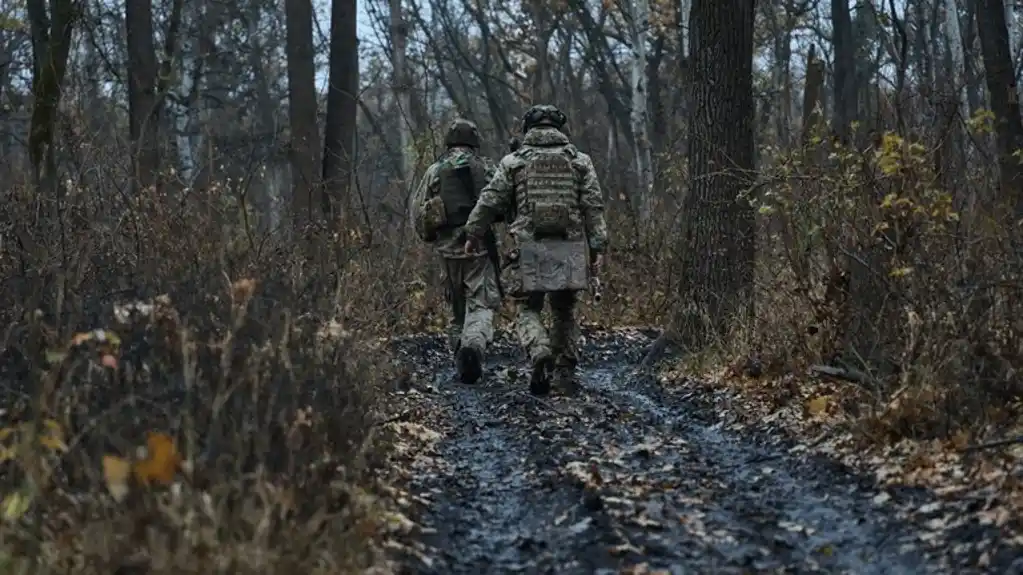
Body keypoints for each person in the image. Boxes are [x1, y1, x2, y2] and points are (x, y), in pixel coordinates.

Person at [461, 105, 608, 396]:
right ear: (560, 129)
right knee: (564, 311)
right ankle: (562, 371)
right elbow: (593, 206)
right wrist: (598, 246)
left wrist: (473, 233)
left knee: (527, 308)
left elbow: (490, 200)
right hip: (569, 244)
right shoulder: (580, 161)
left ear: (528, 129)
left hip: (528, 246)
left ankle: (539, 350)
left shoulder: (514, 161)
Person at [412, 118, 502, 385]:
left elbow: (420, 210)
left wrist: (429, 236)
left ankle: (460, 355)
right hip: (478, 246)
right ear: (474, 141)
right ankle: (472, 345)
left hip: (446, 249)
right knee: (482, 302)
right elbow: (501, 201)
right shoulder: (485, 167)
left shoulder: (435, 170)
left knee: (457, 308)